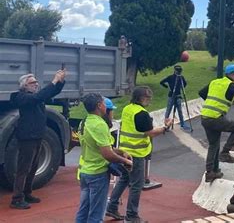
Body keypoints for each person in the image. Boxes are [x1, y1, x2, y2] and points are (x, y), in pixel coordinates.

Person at [106, 86, 172, 223]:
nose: (150, 100)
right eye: (148, 98)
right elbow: (150, 132)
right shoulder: (141, 113)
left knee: (124, 178)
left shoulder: (128, 109)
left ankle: (112, 206)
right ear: (141, 98)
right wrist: (165, 128)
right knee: (137, 184)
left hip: (125, 151)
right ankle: (131, 216)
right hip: (136, 154)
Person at [9, 70, 66, 210]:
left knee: (33, 166)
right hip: (27, 137)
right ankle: (16, 198)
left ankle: (27, 193)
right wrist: (54, 80)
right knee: (24, 168)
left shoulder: (35, 96)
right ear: (24, 86)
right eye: (32, 82)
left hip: (37, 135)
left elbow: (50, 93)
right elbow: (40, 96)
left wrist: (60, 82)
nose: (36, 84)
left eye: (36, 82)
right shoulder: (21, 97)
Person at [75, 93, 133, 223]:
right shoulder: (99, 125)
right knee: (96, 215)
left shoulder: (84, 122)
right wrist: (125, 161)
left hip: (85, 172)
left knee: (84, 210)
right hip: (97, 174)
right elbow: (107, 153)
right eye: (103, 104)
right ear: (99, 105)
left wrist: (120, 151)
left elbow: (99, 147)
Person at [160, 65, 190, 130]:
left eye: (180, 71)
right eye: (178, 71)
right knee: (168, 110)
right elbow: (161, 82)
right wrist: (167, 87)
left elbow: (184, 84)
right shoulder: (170, 77)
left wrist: (181, 87)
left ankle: (182, 124)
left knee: (180, 110)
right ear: (175, 70)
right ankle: (166, 125)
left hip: (178, 96)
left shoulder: (181, 77)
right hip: (171, 96)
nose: (179, 72)